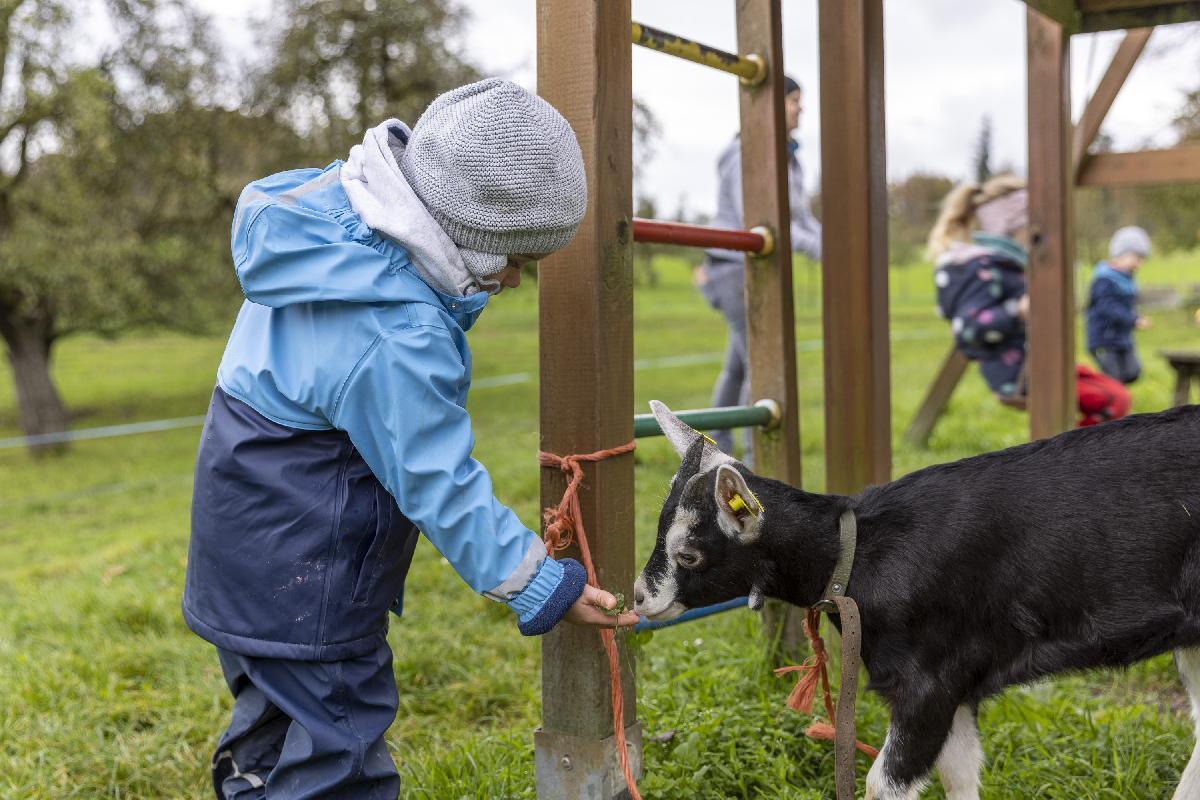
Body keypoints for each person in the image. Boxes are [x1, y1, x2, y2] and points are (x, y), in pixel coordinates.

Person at [182, 78, 639, 800]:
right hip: (308, 575)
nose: (515, 281)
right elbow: (437, 481)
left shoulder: (329, 231)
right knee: (337, 756)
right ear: (465, 232)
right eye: (514, 260)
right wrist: (538, 582)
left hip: (244, 552)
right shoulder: (395, 328)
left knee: (276, 729)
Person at [927, 174, 1130, 427]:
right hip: (1018, 374)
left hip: (1041, 362)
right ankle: (1075, 450)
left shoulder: (1008, 265)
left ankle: (1077, 447)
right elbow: (970, 328)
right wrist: (1018, 310)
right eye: (1032, 233)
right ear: (1012, 229)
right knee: (1110, 402)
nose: (1037, 240)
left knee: (1120, 395)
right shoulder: (982, 270)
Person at [698, 75, 821, 458]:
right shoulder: (746, 153)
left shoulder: (789, 158)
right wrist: (820, 250)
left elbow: (801, 219)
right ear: (770, 105)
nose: (801, 108)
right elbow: (761, 219)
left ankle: (712, 449)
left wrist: (833, 246)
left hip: (757, 269)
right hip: (734, 269)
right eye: (793, 100)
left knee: (738, 366)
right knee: (761, 364)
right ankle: (757, 461)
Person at [1087, 225, 1151, 384]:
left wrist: (1135, 318)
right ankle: (1104, 396)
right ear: (1122, 255)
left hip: (1123, 339)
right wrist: (1132, 319)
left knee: (1132, 372)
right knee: (1113, 377)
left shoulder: (1127, 280)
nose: (1139, 264)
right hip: (1104, 338)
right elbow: (1107, 307)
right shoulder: (1104, 279)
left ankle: (1114, 396)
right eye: (1136, 258)